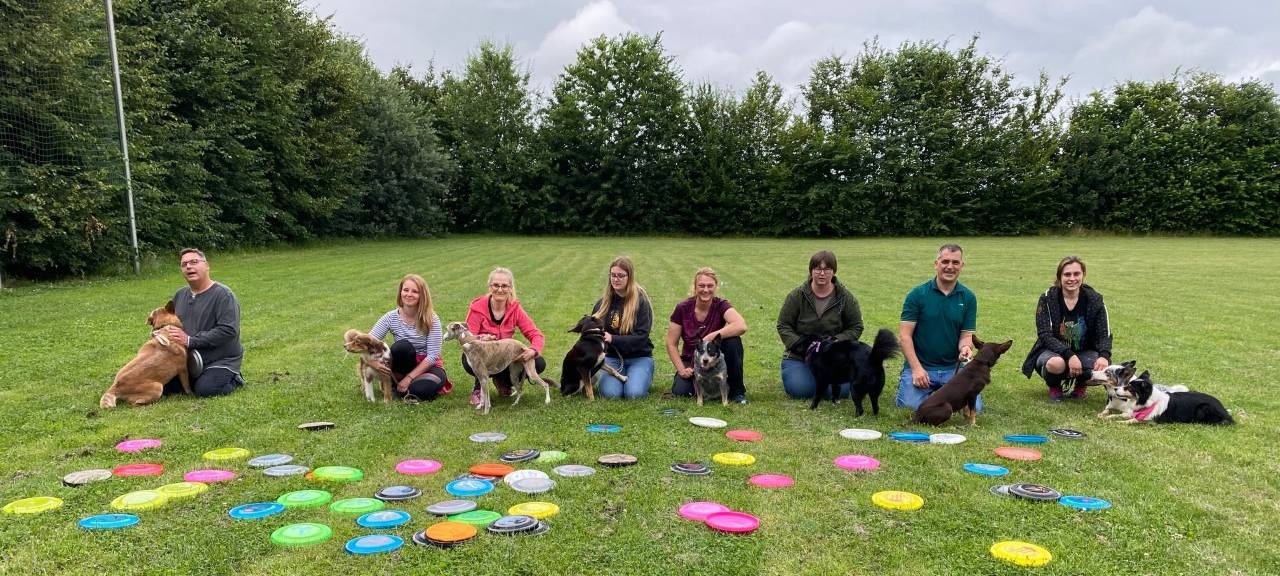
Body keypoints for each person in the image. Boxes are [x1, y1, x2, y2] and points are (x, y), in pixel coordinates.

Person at [896, 243, 980, 411]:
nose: (950, 267)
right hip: (922, 367)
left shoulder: (968, 297)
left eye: (955, 263)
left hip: (953, 370)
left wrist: (965, 348)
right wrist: (916, 369)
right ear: (936, 264)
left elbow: (966, 335)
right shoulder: (917, 295)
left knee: (974, 408)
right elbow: (904, 336)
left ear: (962, 266)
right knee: (910, 406)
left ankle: (939, 393)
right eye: (945, 262)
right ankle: (922, 388)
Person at [1021, 256, 1112, 400]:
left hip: (1085, 351)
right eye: (1067, 274)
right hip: (1053, 353)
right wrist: (1070, 355)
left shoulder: (1095, 300)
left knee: (1104, 370)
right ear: (1059, 277)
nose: (1072, 278)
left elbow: (1104, 333)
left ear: (1083, 275)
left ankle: (1081, 384)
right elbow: (1045, 335)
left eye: (1076, 274)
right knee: (1055, 364)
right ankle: (1055, 386)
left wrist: (1104, 356)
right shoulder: (1047, 298)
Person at [777, 250, 864, 399]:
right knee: (801, 390)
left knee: (838, 392)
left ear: (834, 271)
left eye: (827, 269)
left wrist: (836, 341)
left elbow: (856, 326)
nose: (822, 273)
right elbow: (783, 325)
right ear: (811, 271)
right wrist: (801, 346)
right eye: (818, 269)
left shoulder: (845, 298)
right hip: (800, 357)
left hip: (833, 357)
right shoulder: (796, 296)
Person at [162, 248, 244, 397]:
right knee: (161, 385)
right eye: (184, 264)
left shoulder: (224, 295)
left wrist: (190, 340)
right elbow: (170, 322)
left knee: (206, 390)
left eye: (194, 262)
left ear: (206, 265)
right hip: (188, 359)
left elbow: (228, 330)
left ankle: (235, 379)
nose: (188, 267)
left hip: (219, 360)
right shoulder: (180, 295)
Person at [665, 267, 749, 404]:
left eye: (710, 286)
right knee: (682, 392)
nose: (705, 290)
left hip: (715, 359)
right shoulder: (682, 308)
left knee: (733, 341)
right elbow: (671, 343)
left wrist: (711, 336)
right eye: (701, 286)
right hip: (692, 359)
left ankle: (737, 390)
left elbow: (741, 325)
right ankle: (701, 384)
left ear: (715, 286)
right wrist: (681, 369)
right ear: (695, 287)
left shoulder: (721, 305)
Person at [463, 267, 546, 406]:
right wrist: (481, 339)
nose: (500, 289)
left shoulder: (515, 309)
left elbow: (535, 334)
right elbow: (467, 338)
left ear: (510, 288)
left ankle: (502, 381)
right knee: (472, 360)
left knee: (539, 363)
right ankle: (478, 389)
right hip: (482, 353)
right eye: (496, 285)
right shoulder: (477, 308)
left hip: (504, 356)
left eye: (504, 286)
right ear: (490, 287)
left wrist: (533, 350)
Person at [368, 274, 450, 402]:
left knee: (421, 389)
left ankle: (401, 388)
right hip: (402, 365)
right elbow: (367, 343)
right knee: (402, 347)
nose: (409, 294)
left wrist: (409, 378)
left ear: (422, 295)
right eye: (405, 290)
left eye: (415, 291)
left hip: (427, 366)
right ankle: (398, 385)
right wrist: (374, 363)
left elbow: (433, 356)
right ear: (400, 292)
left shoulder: (432, 319)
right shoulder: (390, 317)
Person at [590, 256, 654, 399]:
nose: (616, 279)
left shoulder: (641, 302)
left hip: (639, 357)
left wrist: (613, 338)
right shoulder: (602, 304)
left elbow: (641, 337)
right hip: (611, 358)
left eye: (621, 276)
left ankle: (642, 376)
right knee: (611, 394)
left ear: (629, 277)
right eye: (613, 275)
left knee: (634, 394)